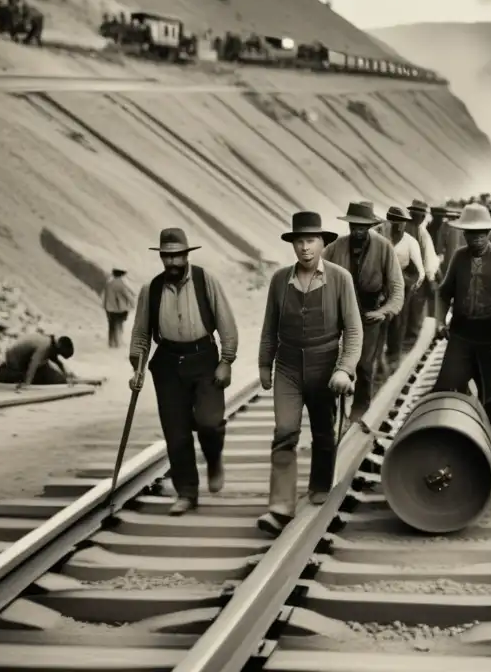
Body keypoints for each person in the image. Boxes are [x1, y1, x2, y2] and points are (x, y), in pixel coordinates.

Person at [256, 212, 362, 535]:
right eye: (299, 241)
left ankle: (320, 485)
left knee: (323, 431)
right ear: (293, 244)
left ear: (323, 244)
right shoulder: (279, 280)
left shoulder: (341, 279)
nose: (305, 248)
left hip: (325, 364)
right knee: (285, 431)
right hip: (287, 366)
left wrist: (344, 369)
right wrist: (264, 364)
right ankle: (280, 507)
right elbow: (269, 328)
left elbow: (354, 332)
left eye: (311, 241)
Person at [128, 228, 239, 516]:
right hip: (167, 361)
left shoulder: (205, 280)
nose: (173, 263)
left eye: (178, 256)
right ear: (162, 257)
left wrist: (226, 361)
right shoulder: (150, 289)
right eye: (167, 256)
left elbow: (226, 321)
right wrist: (137, 367)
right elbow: (141, 334)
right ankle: (187, 492)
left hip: (203, 358)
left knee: (210, 422)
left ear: (186, 255)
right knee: (176, 434)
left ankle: (214, 458)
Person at [433, 203, 491, 460]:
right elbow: (443, 292)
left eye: (482, 233)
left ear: (490, 233)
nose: (477, 238)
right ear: (464, 234)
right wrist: (440, 322)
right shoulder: (459, 258)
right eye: (471, 233)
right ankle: (452, 436)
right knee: (447, 387)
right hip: (462, 334)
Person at [323, 201, 404, 419]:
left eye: (362, 226)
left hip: (369, 315)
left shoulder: (383, 247)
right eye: (354, 226)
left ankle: (361, 408)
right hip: (339, 315)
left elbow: (396, 285)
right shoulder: (335, 247)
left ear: (369, 226)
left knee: (365, 365)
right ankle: (330, 410)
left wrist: (384, 311)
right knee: (333, 363)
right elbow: (317, 277)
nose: (357, 230)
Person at [377, 205, 425, 373]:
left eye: (402, 222)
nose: (398, 225)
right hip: (380, 285)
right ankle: (377, 359)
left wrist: (408, 285)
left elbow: (420, 271)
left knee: (397, 321)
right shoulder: (379, 237)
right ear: (388, 221)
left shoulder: (410, 242)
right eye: (394, 221)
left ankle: (393, 356)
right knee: (379, 321)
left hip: (402, 286)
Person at [404, 199, 440, 344]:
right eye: (418, 214)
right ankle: (410, 339)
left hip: (418, 276)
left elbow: (430, 256)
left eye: (423, 215)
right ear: (412, 214)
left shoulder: (421, 231)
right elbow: (426, 258)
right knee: (412, 309)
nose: (421, 217)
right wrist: (431, 278)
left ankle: (411, 337)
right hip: (413, 275)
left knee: (415, 309)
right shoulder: (410, 230)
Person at [0, 334, 76, 390]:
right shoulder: (45, 346)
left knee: (55, 377)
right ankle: (5, 372)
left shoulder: (51, 344)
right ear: (59, 346)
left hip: (24, 360)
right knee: (46, 377)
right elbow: (33, 364)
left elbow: (58, 362)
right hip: (15, 361)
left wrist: (66, 376)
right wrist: (27, 384)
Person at [103, 268, 135, 348]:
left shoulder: (109, 284)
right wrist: (132, 304)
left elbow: (105, 295)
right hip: (119, 309)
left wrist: (105, 305)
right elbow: (127, 295)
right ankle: (118, 342)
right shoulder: (121, 284)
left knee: (111, 325)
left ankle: (111, 342)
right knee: (119, 325)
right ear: (121, 275)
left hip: (109, 308)